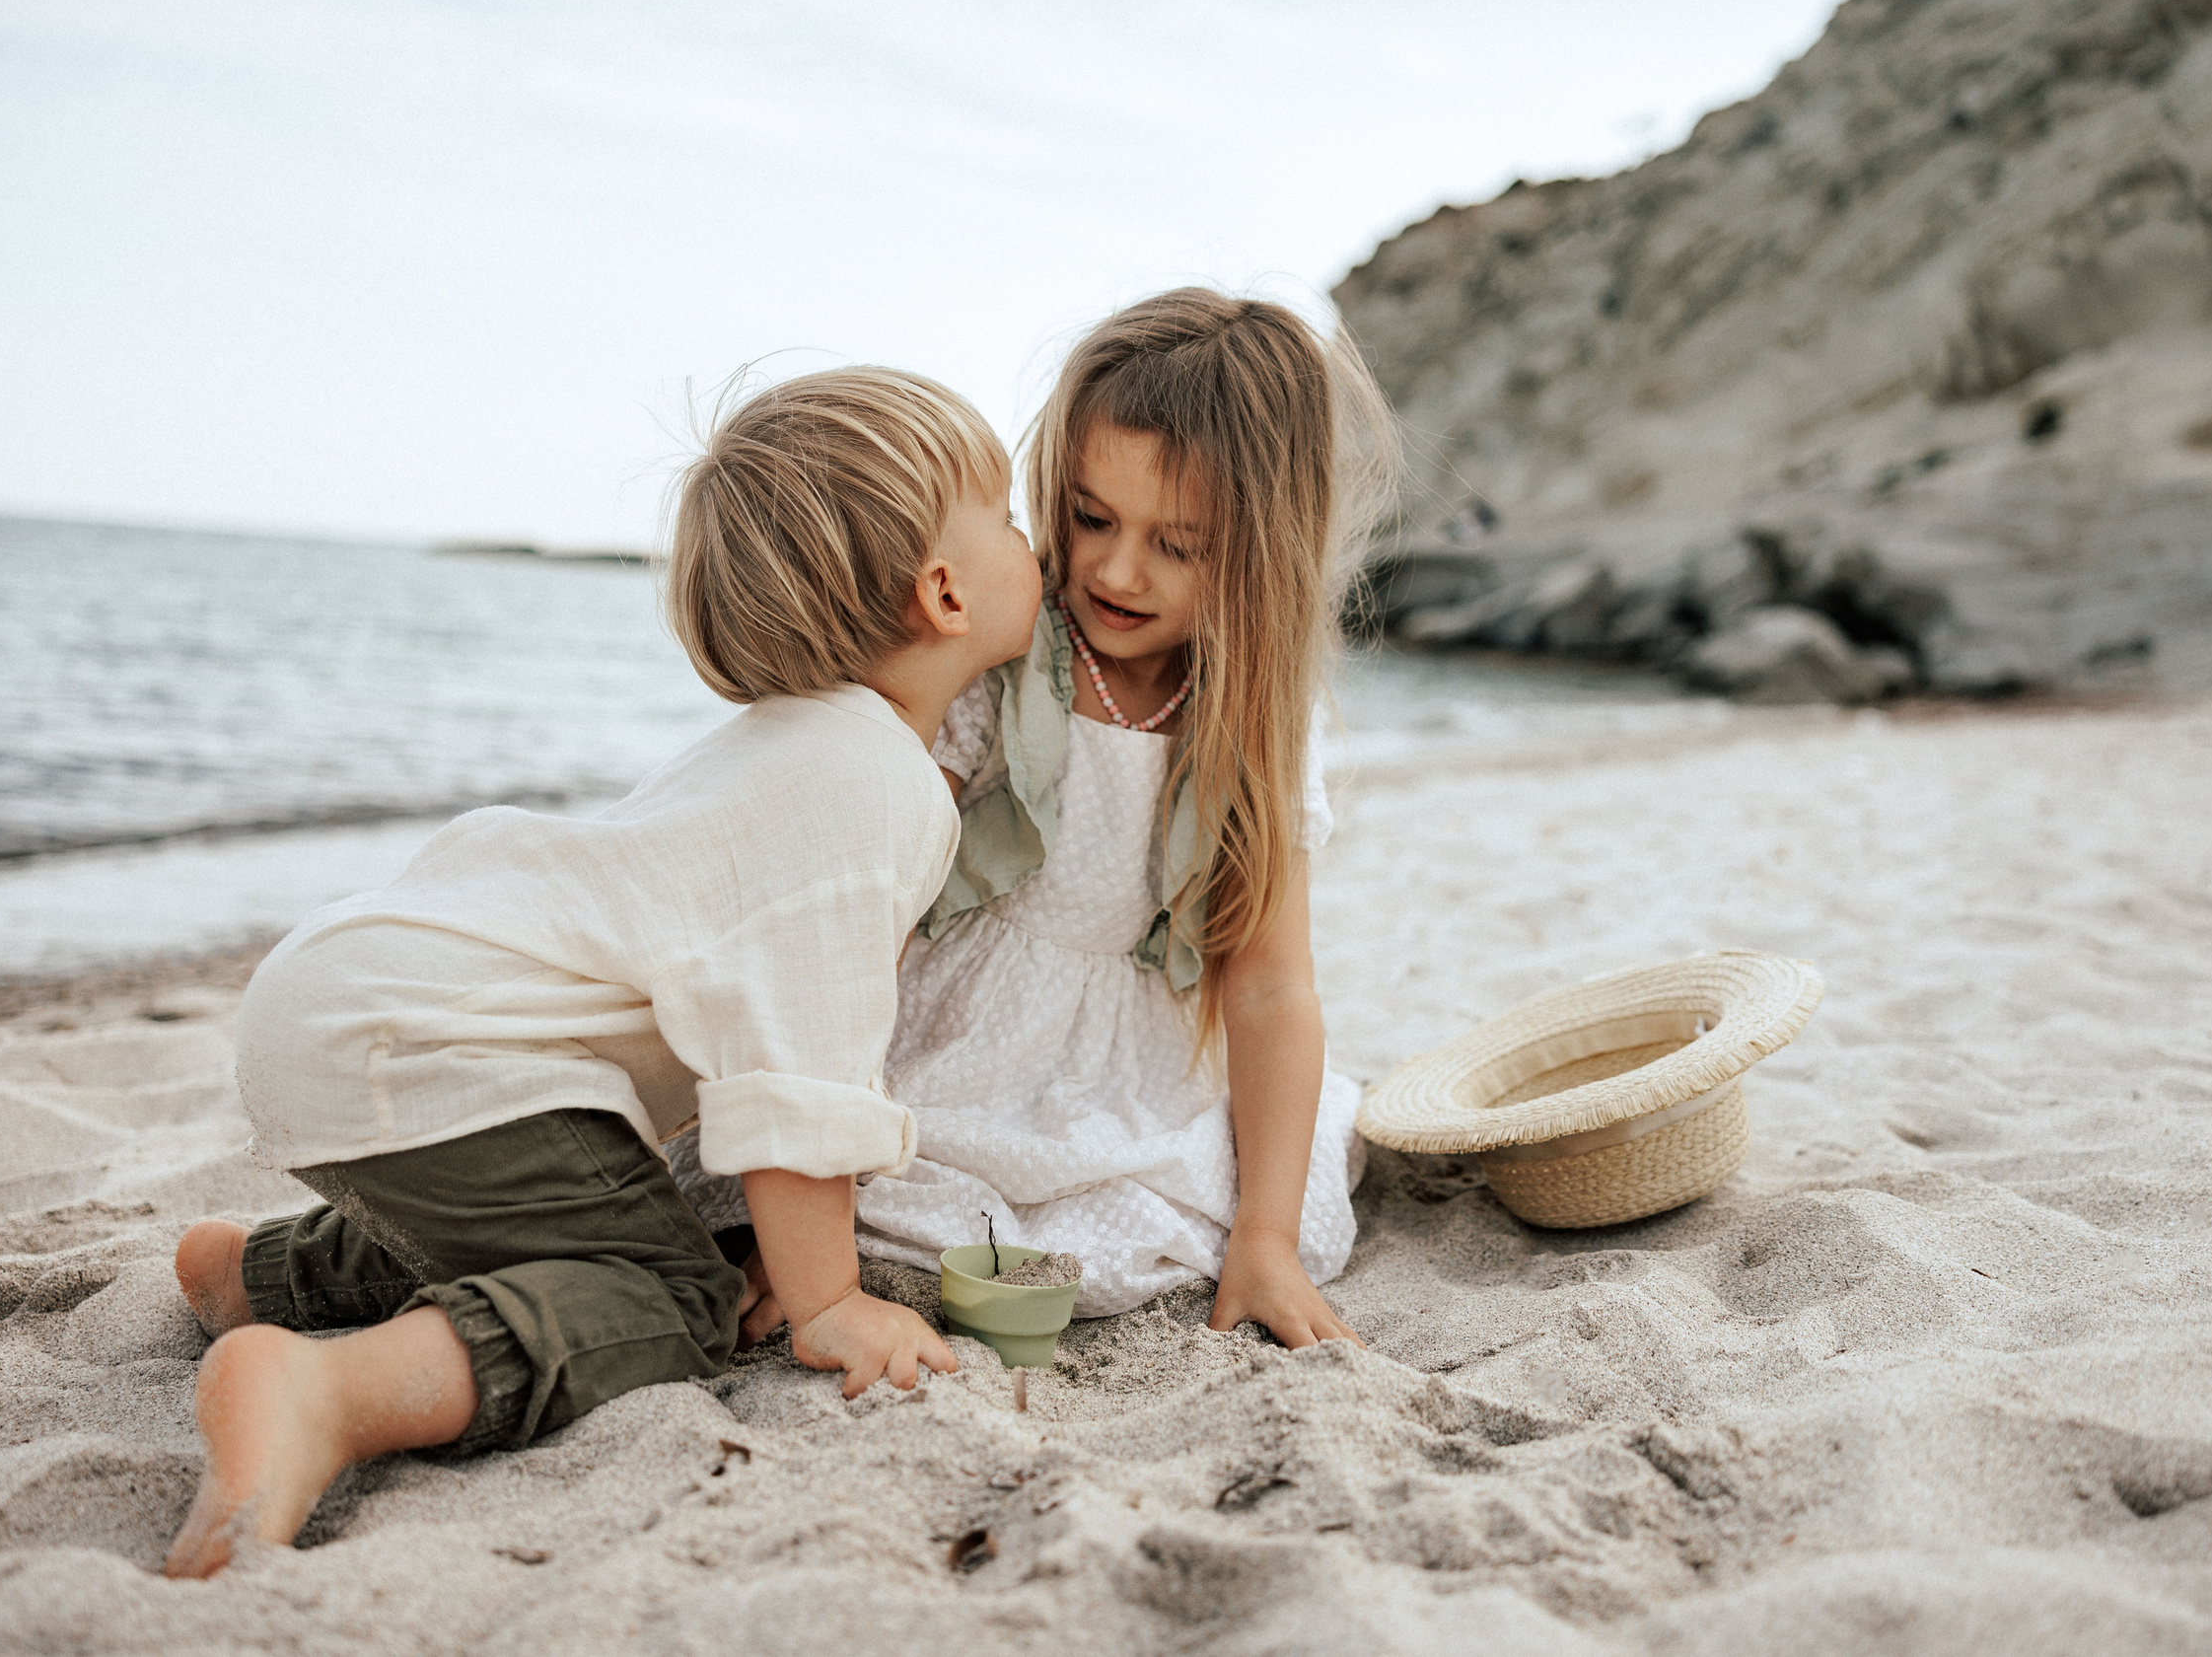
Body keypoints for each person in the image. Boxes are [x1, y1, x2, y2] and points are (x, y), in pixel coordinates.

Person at [161, 367, 1042, 1578]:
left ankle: (252, 1275)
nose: (1028, 535)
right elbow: (798, 1058)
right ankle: (326, 1390)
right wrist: (829, 1298)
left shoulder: (789, 745)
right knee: (668, 1296)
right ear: (944, 590)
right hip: (432, 1040)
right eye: (1005, 514)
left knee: (564, 1220)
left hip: (353, 1007)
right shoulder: (869, 782)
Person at [680, 289, 1398, 1344]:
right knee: (891, 1198)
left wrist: (1267, 1238)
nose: (1114, 570)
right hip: (948, 1033)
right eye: (1092, 517)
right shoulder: (1002, 656)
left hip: (1128, 1065)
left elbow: (1270, 983)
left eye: (1179, 544)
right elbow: (854, 928)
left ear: (1262, 547)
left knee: (1169, 1217)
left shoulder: (1253, 717)